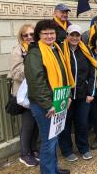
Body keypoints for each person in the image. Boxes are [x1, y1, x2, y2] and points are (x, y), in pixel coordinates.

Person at [25, 20, 73, 174]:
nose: (49, 36)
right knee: (49, 141)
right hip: (44, 104)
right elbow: (36, 81)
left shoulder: (55, 49)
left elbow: (64, 74)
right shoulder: (35, 52)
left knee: (54, 138)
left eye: (51, 32)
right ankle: (48, 171)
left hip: (58, 100)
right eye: (45, 33)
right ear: (38, 35)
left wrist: (68, 96)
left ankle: (53, 169)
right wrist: (48, 104)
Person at [58, 25, 96, 162]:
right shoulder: (60, 50)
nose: (74, 38)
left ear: (80, 37)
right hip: (66, 95)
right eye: (71, 35)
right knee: (65, 124)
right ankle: (67, 150)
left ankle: (83, 148)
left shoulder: (85, 51)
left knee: (82, 123)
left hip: (82, 95)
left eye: (77, 35)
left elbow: (93, 72)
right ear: (67, 35)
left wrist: (91, 92)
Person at [8, 24, 39, 167]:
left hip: (37, 92)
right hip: (24, 94)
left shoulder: (37, 48)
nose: (29, 37)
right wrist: (32, 69)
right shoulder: (18, 50)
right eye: (25, 35)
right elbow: (15, 72)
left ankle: (33, 150)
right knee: (28, 125)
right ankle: (25, 154)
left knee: (36, 124)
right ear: (21, 37)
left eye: (32, 34)